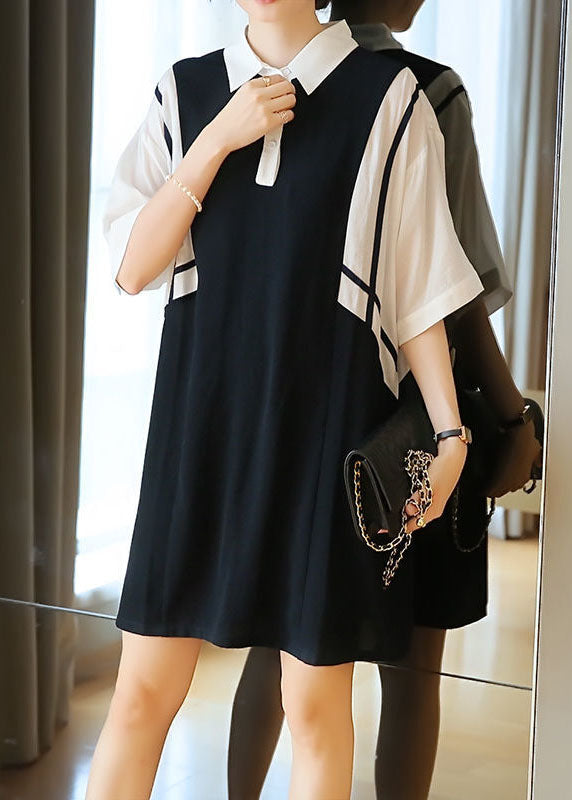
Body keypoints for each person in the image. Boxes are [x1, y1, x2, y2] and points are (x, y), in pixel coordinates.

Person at [86, 2, 494, 797]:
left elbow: (419, 286)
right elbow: (132, 268)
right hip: (197, 439)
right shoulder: (184, 92)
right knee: (140, 694)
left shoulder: (390, 99)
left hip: (324, 442)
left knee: (314, 708)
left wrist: (452, 435)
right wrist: (217, 138)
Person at [225, 3, 544, 800]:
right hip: (405, 424)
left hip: (296, 412)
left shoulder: (264, 82)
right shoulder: (428, 91)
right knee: (411, 671)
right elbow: (452, 290)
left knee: (276, 646)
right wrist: (512, 418)